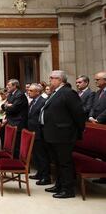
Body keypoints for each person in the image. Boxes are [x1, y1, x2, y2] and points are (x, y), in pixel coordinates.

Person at [40, 70, 86, 199]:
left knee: (65, 163)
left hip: (63, 135)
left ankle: (68, 189)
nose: (50, 80)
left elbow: (78, 114)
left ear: (60, 80)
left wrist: (77, 131)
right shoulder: (56, 93)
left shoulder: (68, 93)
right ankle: (59, 185)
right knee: (57, 162)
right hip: (53, 134)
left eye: (52, 78)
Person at [27, 83, 50, 185]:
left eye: (31, 91)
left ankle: (46, 177)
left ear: (38, 92)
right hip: (32, 132)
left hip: (39, 133)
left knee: (42, 155)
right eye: (29, 90)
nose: (28, 92)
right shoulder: (33, 102)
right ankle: (39, 173)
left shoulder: (43, 102)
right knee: (36, 155)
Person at [1, 79, 28, 158]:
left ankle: (17, 163)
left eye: (9, 85)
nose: (7, 87)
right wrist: (7, 105)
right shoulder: (10, 94)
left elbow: (14, 109)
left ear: (15, 86)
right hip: (10, 121)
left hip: (18, 123)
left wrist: (8, 106)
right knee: (10, 144)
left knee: (16, 145)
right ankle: (11, 159)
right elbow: (3, 106)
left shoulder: (20, 94)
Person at [89, 71, 106, 184]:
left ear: (105, 80)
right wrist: (91, 116)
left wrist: (99, 119)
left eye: (97, 79)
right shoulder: (98, 92)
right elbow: (93, 106)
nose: (95, 81)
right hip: (95, 123)